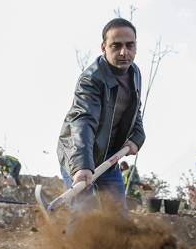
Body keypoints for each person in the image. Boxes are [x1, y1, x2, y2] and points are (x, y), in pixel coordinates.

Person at [57, 18, 145, 212]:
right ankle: (72, 243)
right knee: (84, 214)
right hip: (78, 153)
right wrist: (82, 165)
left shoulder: (134, 73)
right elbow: (83, 120)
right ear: (103, 47)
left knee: (117, 216)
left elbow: (135, 112)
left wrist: (137, 138)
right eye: (116, 46)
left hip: (109, 158)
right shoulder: (91, 79)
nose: (124, 52)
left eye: (130, 45)